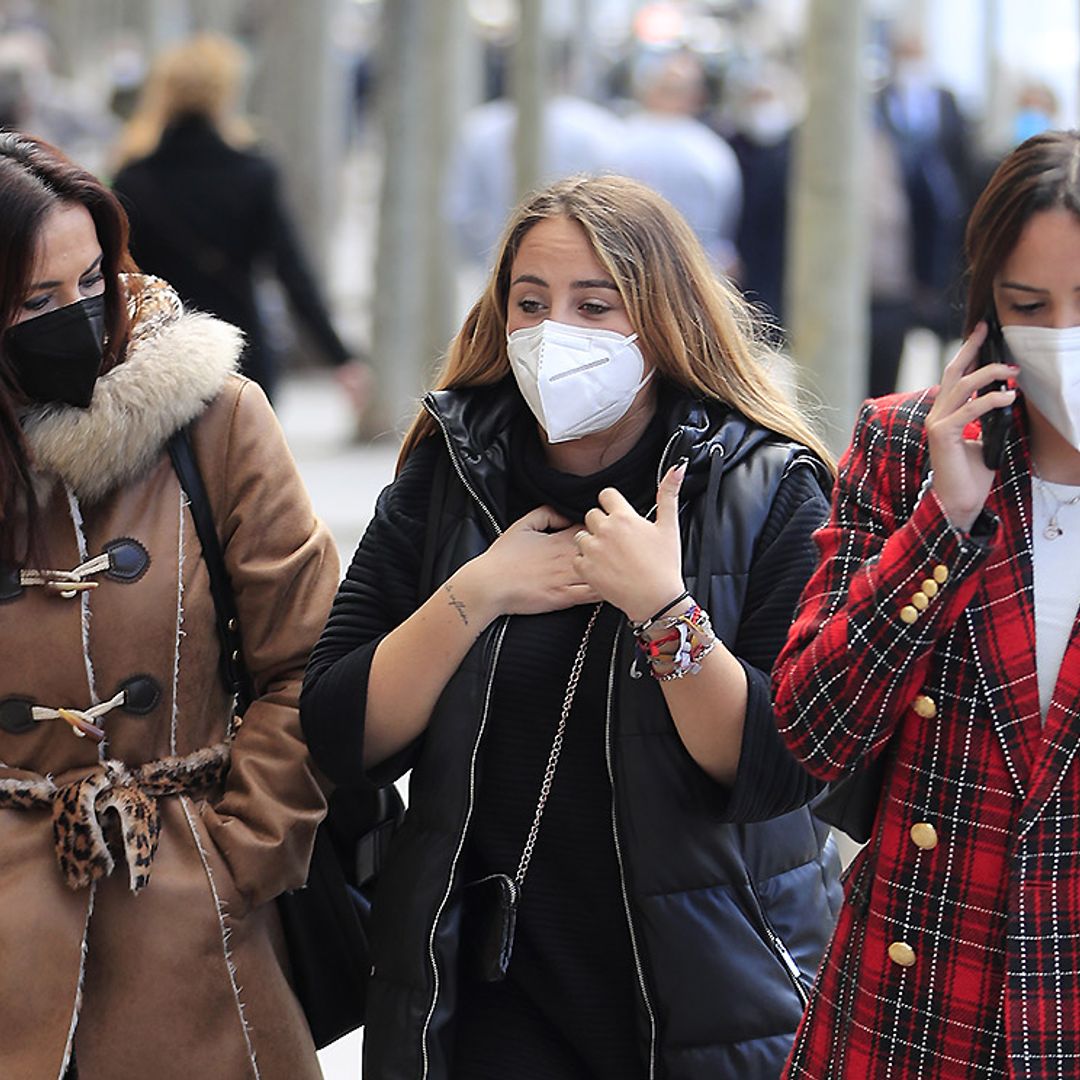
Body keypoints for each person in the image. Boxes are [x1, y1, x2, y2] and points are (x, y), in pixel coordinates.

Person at [301, 174, 842, 1079]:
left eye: (597, 305)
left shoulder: (768, 489)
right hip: (476, 1002)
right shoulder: (452, 477)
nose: (557, 334)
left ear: (663, 321)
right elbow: (339, 731)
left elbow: (779, 766)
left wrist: (663, 610)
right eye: (531, 302)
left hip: (704, 1000)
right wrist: (475, 593)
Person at [0, 133, 340, 1079]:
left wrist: (237, 856)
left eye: (92, 282)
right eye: (33, 301)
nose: (75, 315)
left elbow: (308, 660)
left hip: (193, 934)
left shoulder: (214, 418)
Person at [772, 130, 1080, 1077]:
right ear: (988, 311)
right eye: (1031, 306)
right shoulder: (911, 446)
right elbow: (809, 730)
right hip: (917, 999)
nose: (1064, 334)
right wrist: (942, 524)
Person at [110, 33, 372, 414]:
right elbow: (291, 271)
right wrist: (339, 357)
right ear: (225, 94)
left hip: (160, 356)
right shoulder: (253, 172)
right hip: (241, 349)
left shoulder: (134, 178)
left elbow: (120, 274)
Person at [617, 50, 742, 273]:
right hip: (694, 275)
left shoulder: (618, 140)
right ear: (697, 97)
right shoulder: (712, 151)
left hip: (624, 269)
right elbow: (723, 235)